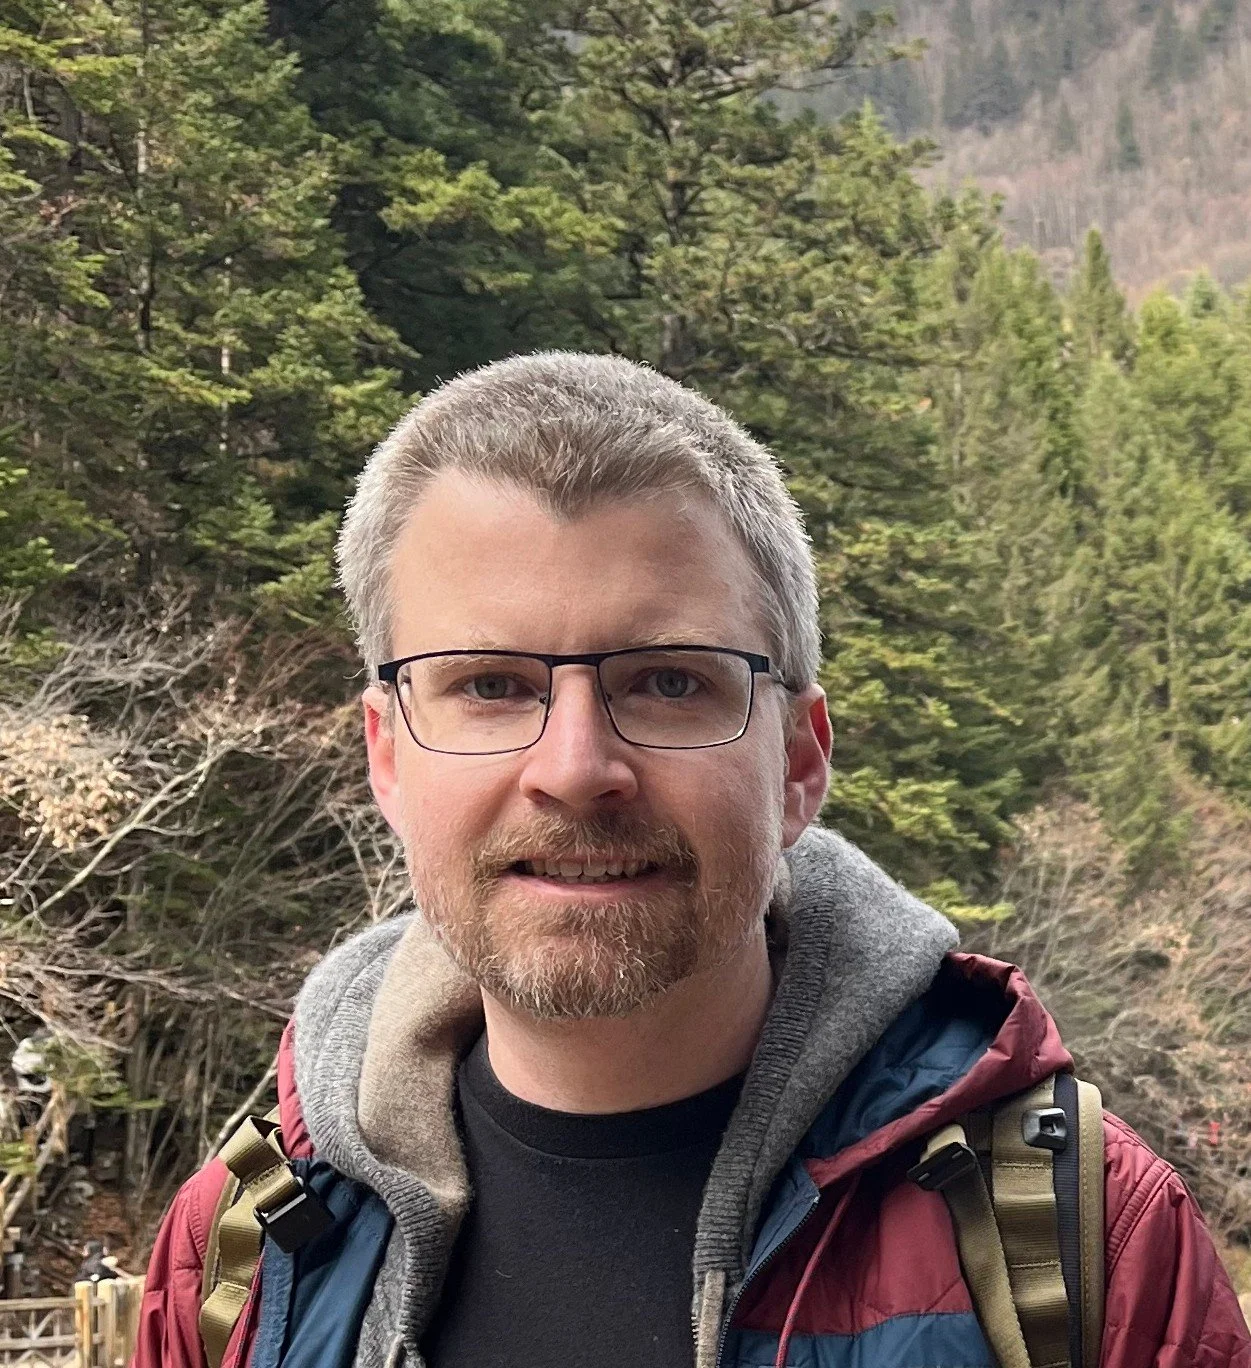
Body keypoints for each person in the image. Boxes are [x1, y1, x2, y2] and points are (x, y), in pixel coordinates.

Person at [134, 352, 1250, 1368]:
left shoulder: (1080, 1243)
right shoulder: (246, 1260)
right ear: (386, 754)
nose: (575, 768)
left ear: (800, 762)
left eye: (670, 681)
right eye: (489, 684)